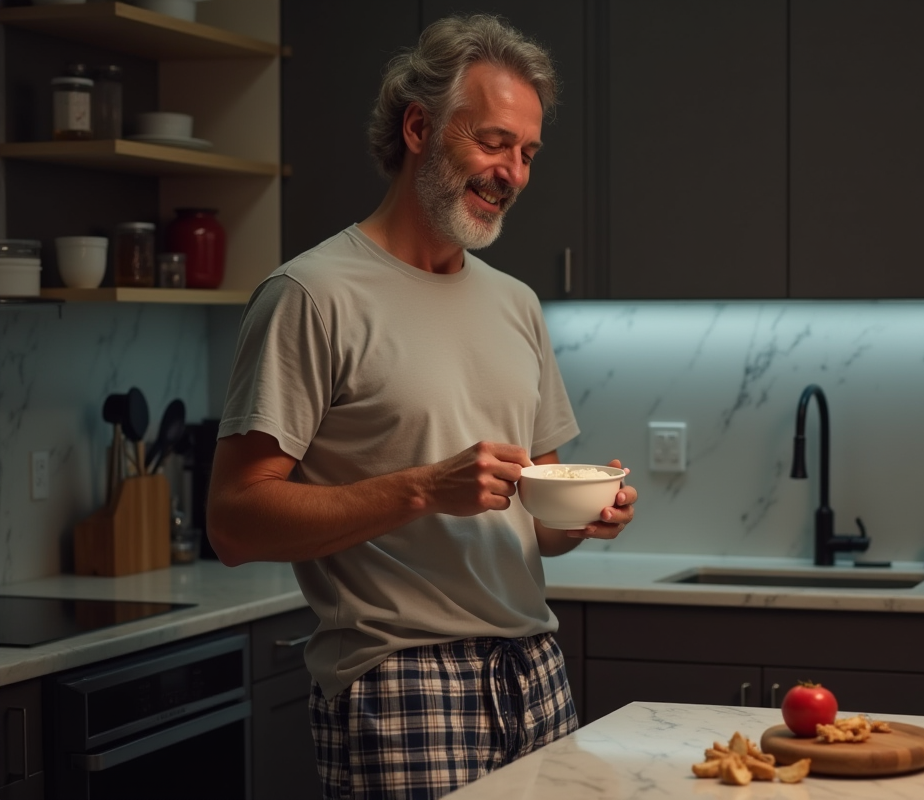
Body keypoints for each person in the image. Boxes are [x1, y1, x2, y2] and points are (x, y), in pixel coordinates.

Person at [206, 14, 637, 800]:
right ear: (418, 127)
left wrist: (580, 515)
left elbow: (535, 523)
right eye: (494, 142)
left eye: (529, 153)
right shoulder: (311, 294)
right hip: (400, 683)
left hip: (535, 671)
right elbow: (234, 521)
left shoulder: (517, 304)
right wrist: (421, 489)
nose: (513, 171)